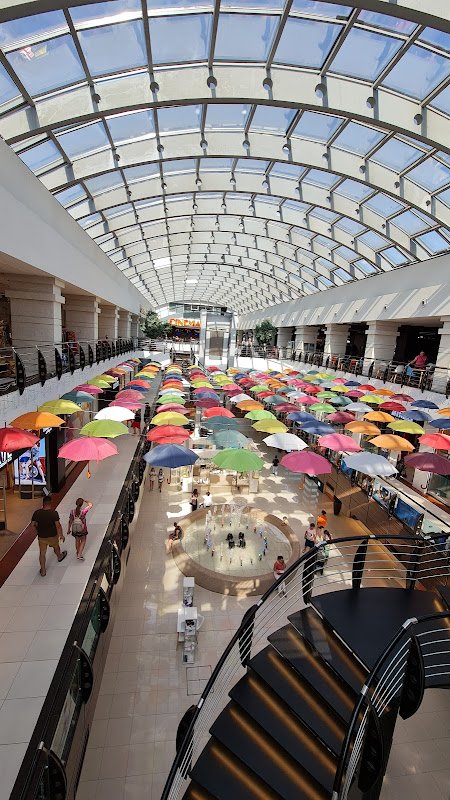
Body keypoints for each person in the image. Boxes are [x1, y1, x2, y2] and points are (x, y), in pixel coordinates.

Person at [31, 496, 67, 577]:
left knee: (42, 553)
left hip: (42, 537)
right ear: (50, 503)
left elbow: (32, 525)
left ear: (43, 503)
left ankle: (43, 571)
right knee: (56, 547)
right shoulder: (54, 513)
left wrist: (37, 531)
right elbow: (58, 526)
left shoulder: (37, 513)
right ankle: (59, 557)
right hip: (52, 536)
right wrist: (61, 535)